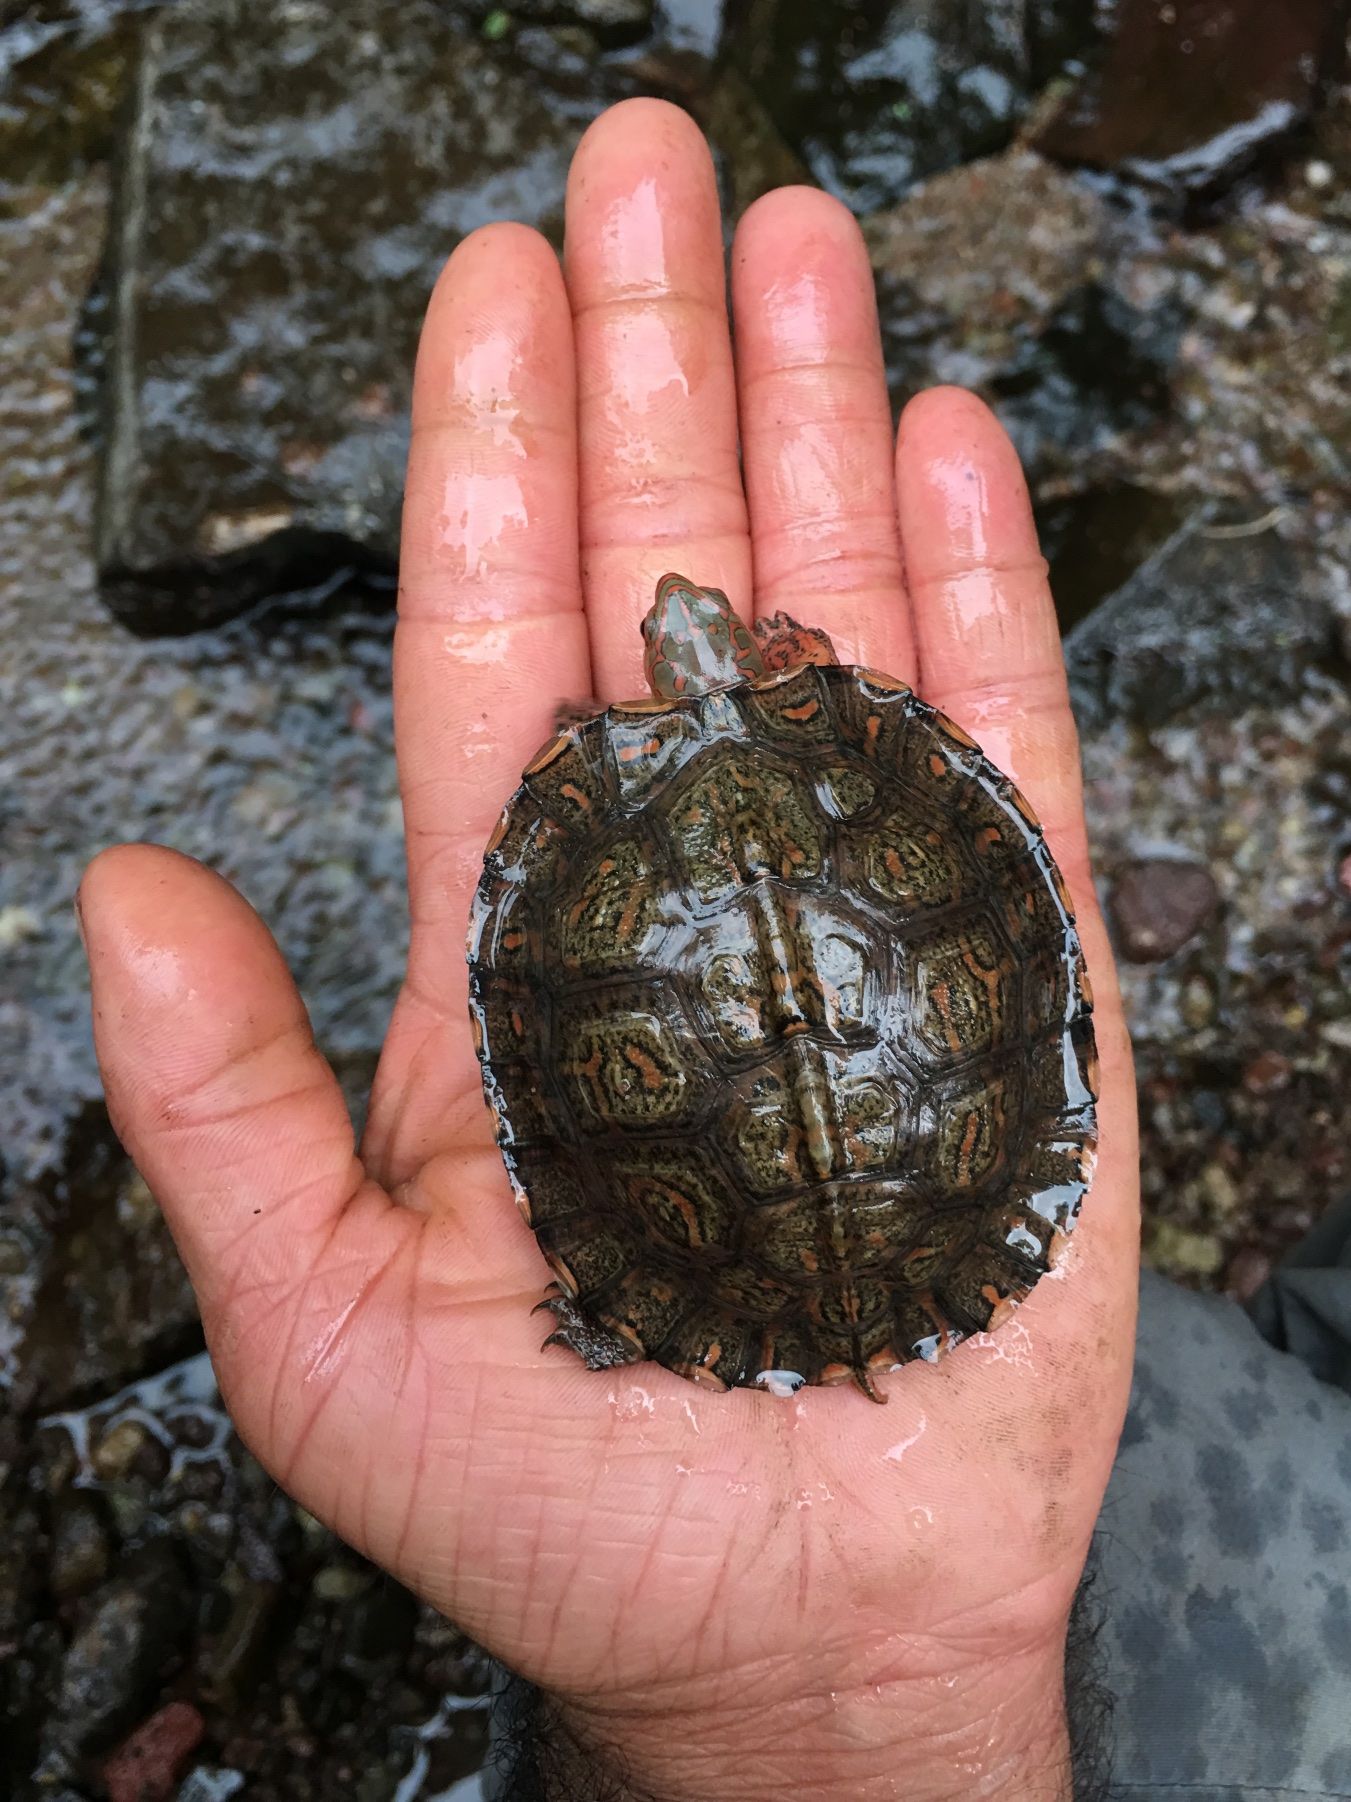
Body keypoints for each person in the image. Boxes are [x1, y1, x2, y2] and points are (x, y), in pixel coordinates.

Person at [77, 101, 1351, 1801]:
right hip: (962, 1203)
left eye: (692, 639)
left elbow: (542, 945)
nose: (683, 625)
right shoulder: (837, 741)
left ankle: (637, 1313)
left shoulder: (582, 811)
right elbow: (985, 865)